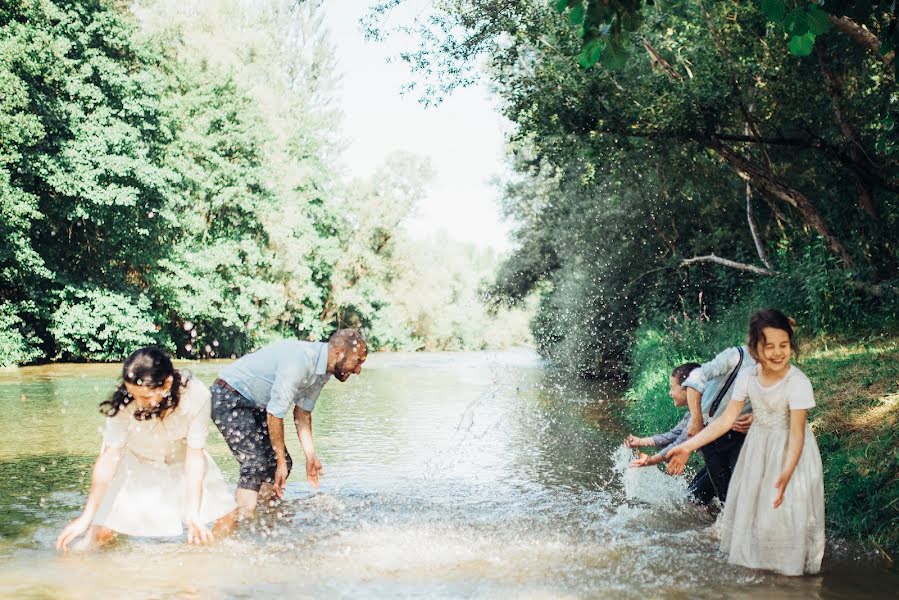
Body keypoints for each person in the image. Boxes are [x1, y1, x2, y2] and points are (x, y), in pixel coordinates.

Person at [667, 309, 825, 575]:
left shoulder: (798, 382)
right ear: (755, 348)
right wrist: (686, 446)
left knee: (785, 515)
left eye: (783, 345)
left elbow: (797, 433)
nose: (776, 353)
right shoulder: (747, 377)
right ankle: (759, 578)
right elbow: (724, 421)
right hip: (756, 450)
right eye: (768, 346)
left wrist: (786, 473)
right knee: (753, 515)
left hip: (791, 454)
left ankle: (790, 577)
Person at [56, 347, 238, 552]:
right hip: (137, 461)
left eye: (144, 396)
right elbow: (109, 457)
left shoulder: (197, 395)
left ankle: (199, 564)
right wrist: (86, 516)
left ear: (167, 384)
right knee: (102, 532)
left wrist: (193, 513)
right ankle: (77, 568)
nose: (138, 403)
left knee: (228, 517)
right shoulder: (123, 402)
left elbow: (195, 455)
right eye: (133, 394)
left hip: (182, 457)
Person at [211, 329, 367, 511]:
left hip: (255, 404)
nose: (358, 370)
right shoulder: (300, 361)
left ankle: (265, 516)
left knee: (280, 462)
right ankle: (242, 522)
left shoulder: (324, 371)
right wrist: (280, 463)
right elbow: (275, 414)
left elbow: (302, 413)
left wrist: (310, 456)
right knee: (255, 463)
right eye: (357, 362)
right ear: (338, 353)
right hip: (228, 396)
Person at [679, 342, 757, 503]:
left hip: (741, 438)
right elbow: (694, 380)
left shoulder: (779, 371)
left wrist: (756, 416)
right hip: (711, 435)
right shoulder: (735, 356)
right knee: (696, 498)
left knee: (734, 496)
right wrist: (696, 419)